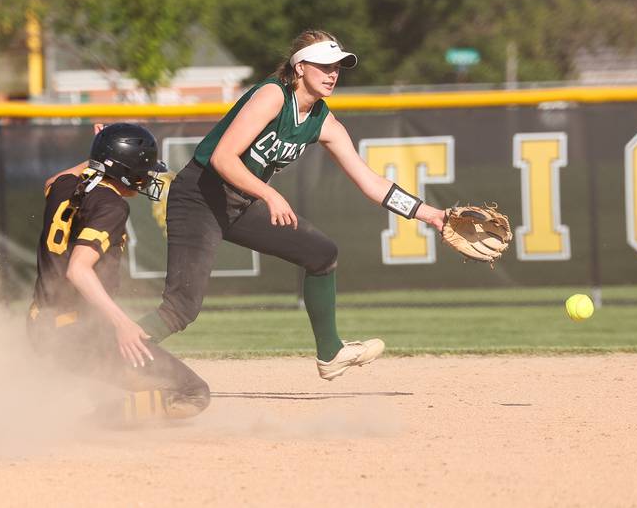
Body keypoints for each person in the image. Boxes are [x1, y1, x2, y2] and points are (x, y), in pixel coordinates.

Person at [133, 29, 447, 381]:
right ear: (299, 68)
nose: (332, 74)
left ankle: (330, 354)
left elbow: (372, 183)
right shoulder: (273, 96)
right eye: (324, 65)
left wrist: (432, 215)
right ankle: (100, 350)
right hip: (199, 197)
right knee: (180, 309)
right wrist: (269, 194)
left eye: (338, 67)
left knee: (321, 253)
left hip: (241, 200)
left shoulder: (322, 120)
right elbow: (223, 158)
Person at [27, 123, 210, 424]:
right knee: (193, 392)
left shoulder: (66, 187)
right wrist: (123, 324)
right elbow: (78, 270)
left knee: (131, 383)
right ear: (127, 172)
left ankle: (97, 415)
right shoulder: (111, 205)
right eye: (144, 169)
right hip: (76, 336)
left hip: (42, 326)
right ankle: (94, 425)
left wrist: (101, 151)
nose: (147, 176)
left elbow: (53, 181)